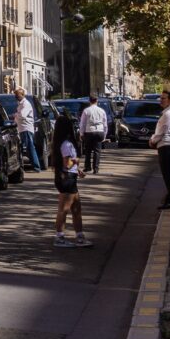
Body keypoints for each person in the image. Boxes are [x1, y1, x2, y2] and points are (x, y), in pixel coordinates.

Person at [50, 113, 85, 246]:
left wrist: (78, 169)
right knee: (64, 209)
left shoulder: (60, 143)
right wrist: (77, 160)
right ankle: (59, 237)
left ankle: (80, 235)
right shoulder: (67, 145)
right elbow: (67, 164)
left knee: (76, 208)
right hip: (68, 178)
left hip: (67, 177)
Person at [78, 95, 109, 174]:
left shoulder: (86, 111)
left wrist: (81, 133)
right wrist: (104, 135)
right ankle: (96, 168)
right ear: (97, 101)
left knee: (88, 150)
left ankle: (87, 167)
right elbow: (105, 124)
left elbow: (82, 123)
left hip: (89, 131)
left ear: (89, 101)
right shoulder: (102, 111)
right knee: (97, 151)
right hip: (99, 131)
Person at [16, 93, 40, 169]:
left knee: (30, 147)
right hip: (22, 128)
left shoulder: (25, 104)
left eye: (17, 95)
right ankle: (34, 166)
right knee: (27, 148)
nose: (16, 97)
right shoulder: (21, 104)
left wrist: (15, 115)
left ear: (22, 95)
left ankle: (36, 166)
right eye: (16, 95)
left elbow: (22, 115)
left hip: (26, 128)